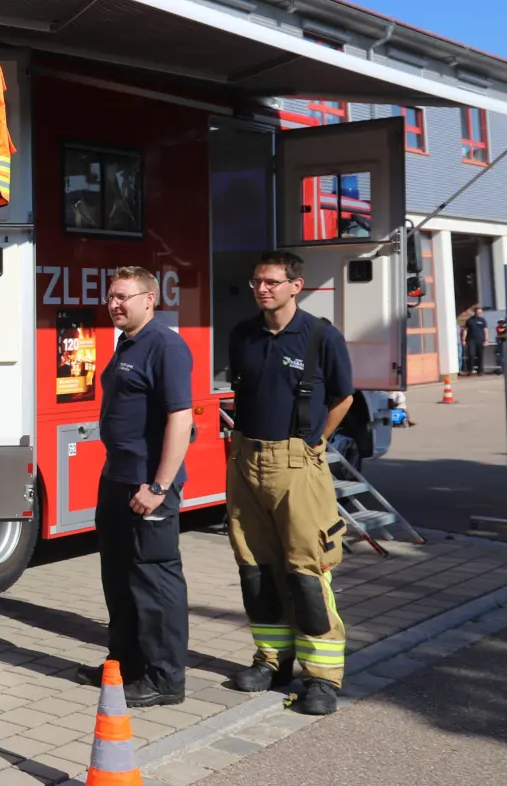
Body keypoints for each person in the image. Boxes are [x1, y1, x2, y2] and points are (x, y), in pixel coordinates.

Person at [225, 251, 353, 716]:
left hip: (298, 463)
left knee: (306, 571)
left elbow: (343, 396)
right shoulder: (243, 335)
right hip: (246, 459)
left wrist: (315, 441)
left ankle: (321, 678)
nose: (262, 289)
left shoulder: (321, 336)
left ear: (295, 285)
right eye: (258, 281)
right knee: (255, 569)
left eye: (272, 282)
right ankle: (272, 661)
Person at [77, 267, 193, 708]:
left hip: (148, 486)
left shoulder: (166, 345)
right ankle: (122, 665)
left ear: (150, 299)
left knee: (154, 582)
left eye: (124, 296)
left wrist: (160, 486)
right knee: (119, 577)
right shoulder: (127, 342)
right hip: (117, 479)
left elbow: (180, 419)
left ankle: (165, 680)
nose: (115, 304)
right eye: (111, 296)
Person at [465, 306, 488, 376]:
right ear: (475, 312)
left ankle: (480, 371)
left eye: (480, 312)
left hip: (480, 340)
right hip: (471, 340)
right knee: (471, 355)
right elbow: (465, 330)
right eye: (478, 312)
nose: (480, 313)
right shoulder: (469, 320)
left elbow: (485, 330)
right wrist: (463, 340)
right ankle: (470, 370)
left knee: (480, 355)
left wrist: (486, 340)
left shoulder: (482, 320)